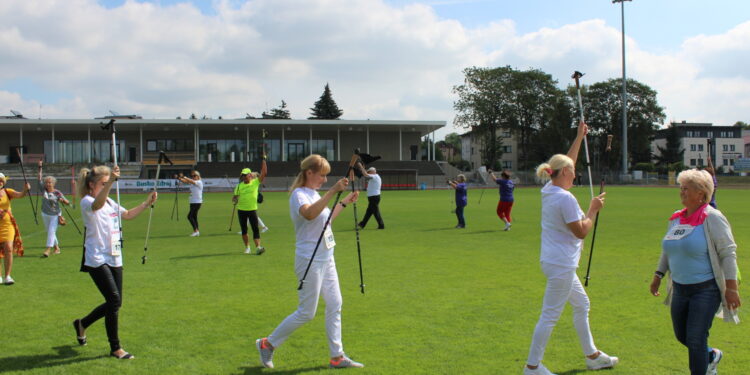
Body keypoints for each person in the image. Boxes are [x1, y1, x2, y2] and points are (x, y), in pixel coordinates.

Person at [524, 122, 617, 375]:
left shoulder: (550, 188)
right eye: (572, 171)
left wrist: (578, 137)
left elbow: (568, 161)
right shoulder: (565, 198)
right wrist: (593, 209)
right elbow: (582, 231)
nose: (576, 174)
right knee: (550, 316)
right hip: (562, 264)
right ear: (564, 172)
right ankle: (532, 367)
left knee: (582, 304)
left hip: (556, 262)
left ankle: (593, 355)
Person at [255, 154, 362, 369]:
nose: (324, 180)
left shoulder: (314, 193)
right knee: (307, 312)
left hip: (327, 257)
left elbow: (326, 220)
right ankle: (267, 343)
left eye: (326, 177)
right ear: (309, 173)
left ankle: (337, 356)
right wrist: (332, 191)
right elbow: (310, 215)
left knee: (335, 304)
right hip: (309, 259)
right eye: (321, 175)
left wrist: (343, 202)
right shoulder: (299, 195)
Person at [649, 168, 739, 375]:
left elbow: (728, 253)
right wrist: (658, 275)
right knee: (682, 336)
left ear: (701, 193)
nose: (681, 192)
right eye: (680, 188)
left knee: (696, 338)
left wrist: (731, 288)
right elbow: (668, 249)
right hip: (680, 289)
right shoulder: (676, 219)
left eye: (686, 189)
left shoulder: (713, 218)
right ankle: (710, 357)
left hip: (706, 290)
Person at [72, 165, 157, 359]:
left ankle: (82, 324)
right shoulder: (87, 201)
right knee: (114, 300)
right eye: (103, 183)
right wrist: (111, 181)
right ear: (92, 185)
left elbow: (127, 215)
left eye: (108, 183)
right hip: (96, 257)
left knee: (115, 303)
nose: (107, 186)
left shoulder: (109, 201)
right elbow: (96, 206)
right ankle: (115, 348)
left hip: (115, 255)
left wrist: (146, 203)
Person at [0, 172, 30, 285]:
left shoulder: (8, 192)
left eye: (1, 180)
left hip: (7, 225)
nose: (0, 182)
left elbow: (20, 195)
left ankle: (7, 275)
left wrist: (25, 190)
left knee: (8, 248)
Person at [232, 159, 267, 255]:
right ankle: (247, 247)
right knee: (244, 230)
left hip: (252, 210)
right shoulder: (239, 186)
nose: (243, 177)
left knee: (255, 229)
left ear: (250, 175)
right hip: (241, 210)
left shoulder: (255, 182)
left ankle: (258, 247)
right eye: (242, 175)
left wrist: (264, 161)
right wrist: (234, 200)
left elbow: (264, 173)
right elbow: (234, 197)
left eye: (245, 175)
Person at [38, 160, 70, 257]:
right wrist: (40, 167)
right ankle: (57, 248)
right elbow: (39, 179)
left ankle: (48, 249)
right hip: (45, 213)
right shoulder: (43, 191)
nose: (48, 184)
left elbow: (67, 202)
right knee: (50, 232)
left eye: (50, 182)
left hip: (55, 215)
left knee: (51, 231)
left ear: (54, 183)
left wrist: (62, 200)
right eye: (47, 182)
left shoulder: (57, 192)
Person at [357, 165, 384, 230]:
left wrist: (361, 167)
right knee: (369, 212)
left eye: (369, 172)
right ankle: (362, 224)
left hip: (374, 197)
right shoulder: (374, 177)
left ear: (373, 171)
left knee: (375, 212)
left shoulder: (375, 176)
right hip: (373, 197)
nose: (368, 173)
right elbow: (365, 174)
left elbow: (365, 174)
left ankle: (381, 225)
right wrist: (363, 169)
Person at [176, 170, 203, 237]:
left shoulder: (199, 182)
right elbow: (185, 181)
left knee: (189, 216)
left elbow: (191, 181)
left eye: (194, 176)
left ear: (198, 176)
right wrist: (179, 178)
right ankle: (197, 231)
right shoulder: (193, 182)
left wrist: (184, 176)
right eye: (192, 176)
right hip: (192, 202)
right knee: (194, 217)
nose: (193, 177)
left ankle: (196, 231)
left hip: (197, 202)